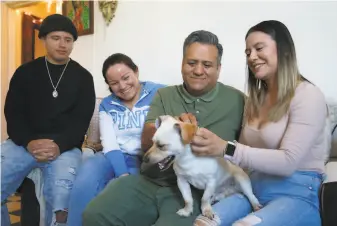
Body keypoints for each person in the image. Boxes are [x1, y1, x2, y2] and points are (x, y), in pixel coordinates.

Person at [82, 30, 246, 226]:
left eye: (207, 65)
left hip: (195, 191)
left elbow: (252, 150)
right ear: (182, 63)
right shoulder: (164, 95)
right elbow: (146, 142)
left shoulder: (237, 100)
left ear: (218, 68)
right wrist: (172, 127)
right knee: (94, 215)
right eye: (191, 63)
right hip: (150, 181)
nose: (198, 70)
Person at [193, 20, 327, 226]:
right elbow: (246, 159)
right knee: (203, 222)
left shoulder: (308, 95)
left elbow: (287, 162)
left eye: (259, 48)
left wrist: (225, 148)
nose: (252, 57)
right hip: (252, 190)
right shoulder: (255, 100)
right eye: (248, 52)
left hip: (295, 194)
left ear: (282, 49)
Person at [1, 14, 96, 226]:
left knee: (61, 205)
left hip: (65, 147)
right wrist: (28, 141)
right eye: (55, 38)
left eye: (68, 39)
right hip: (23, 144)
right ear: (43, 39)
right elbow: (13, 114)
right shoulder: (25, 73)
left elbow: (80, 122)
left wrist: (59, 145)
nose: (62, 44)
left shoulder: (83, 77)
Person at [67, 53, 166, 226]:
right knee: (86, 172)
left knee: (122, 197)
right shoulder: (107, 104)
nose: (122, 86)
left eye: (126, 77)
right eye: (114, 83)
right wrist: (122, 173)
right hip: (114, 155)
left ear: (136, 71)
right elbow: (110, 143)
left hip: (145, 159)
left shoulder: (159, 92)